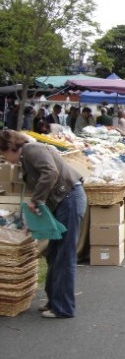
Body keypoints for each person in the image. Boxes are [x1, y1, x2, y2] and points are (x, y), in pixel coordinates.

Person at [0, 130, 86, 318]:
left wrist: (36, 201)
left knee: (64, 255)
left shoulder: (31, 149)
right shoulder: (27, 155)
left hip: (69, 198)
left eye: (3, 154)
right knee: (54, 253)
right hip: (64, 200)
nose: (6, 159)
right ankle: (54, 301)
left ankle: (63, 308)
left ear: (10, 147)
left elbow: (50, 172)